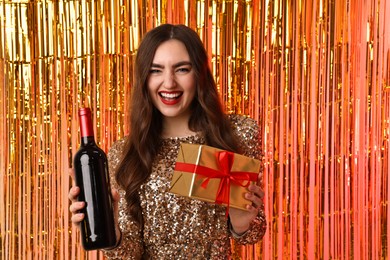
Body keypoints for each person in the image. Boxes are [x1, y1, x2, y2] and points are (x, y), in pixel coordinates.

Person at [69, 23, 266, 259]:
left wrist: (242, 224)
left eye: (182, 69)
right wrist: (112, 234)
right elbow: (131, 252)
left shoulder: (238, 133)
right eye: (155, 70)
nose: (169, 83)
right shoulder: (124, 152)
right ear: (143, 78)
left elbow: (254, 233)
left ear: (200, 73)